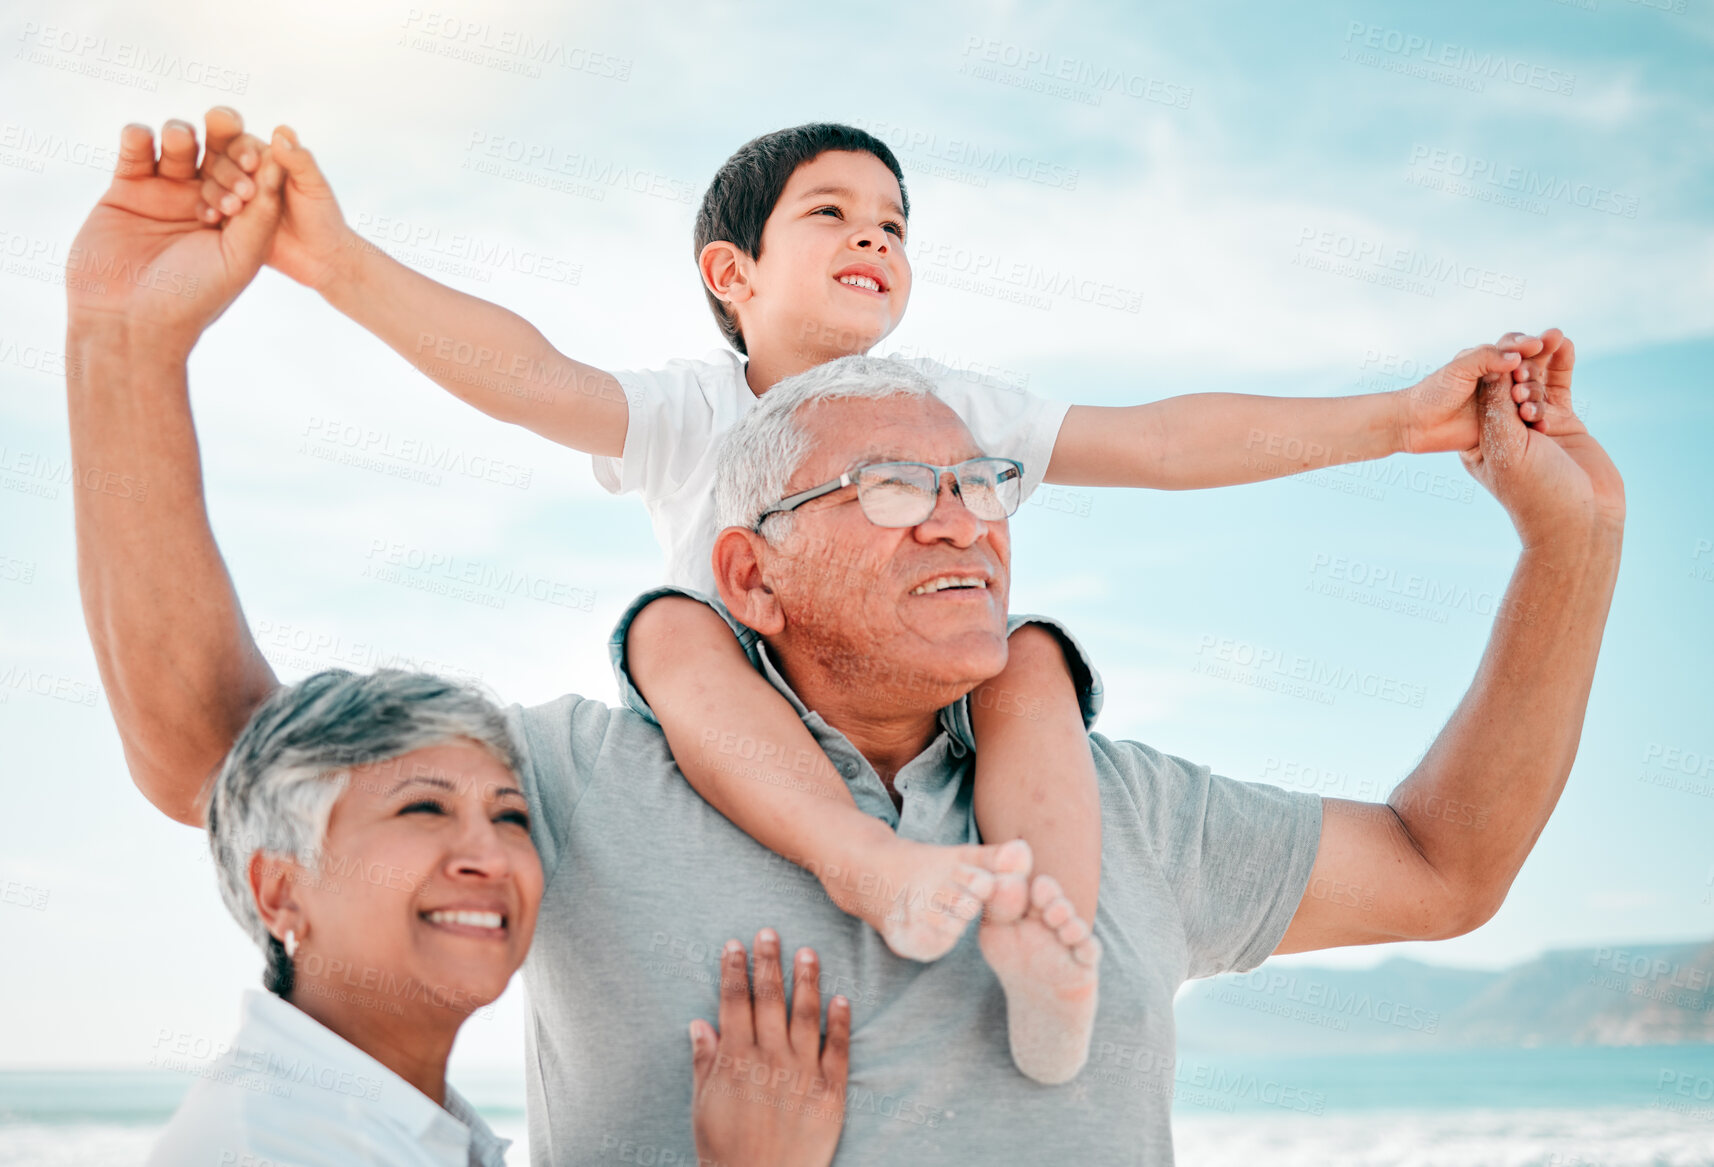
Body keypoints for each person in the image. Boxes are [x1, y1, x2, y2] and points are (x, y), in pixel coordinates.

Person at [68, 119, 1624, 1163]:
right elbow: (218, 750)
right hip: (698, 674)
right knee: (663, 638)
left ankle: (1044, 952)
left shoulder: (1106, 794)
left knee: (1034, 674)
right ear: (756, 566)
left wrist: (1562, 537)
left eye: (979, 486)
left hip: (1022, 803)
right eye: (894, 487)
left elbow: (1444, 864)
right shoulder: (582, 771)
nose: (962, 516)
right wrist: (130, 347)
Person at [147, 668, 851, 1167]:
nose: (492, 856)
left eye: (511, 816)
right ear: (281, 890)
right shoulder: (276, 1146)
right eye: (424, 807)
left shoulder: (411, 1123)